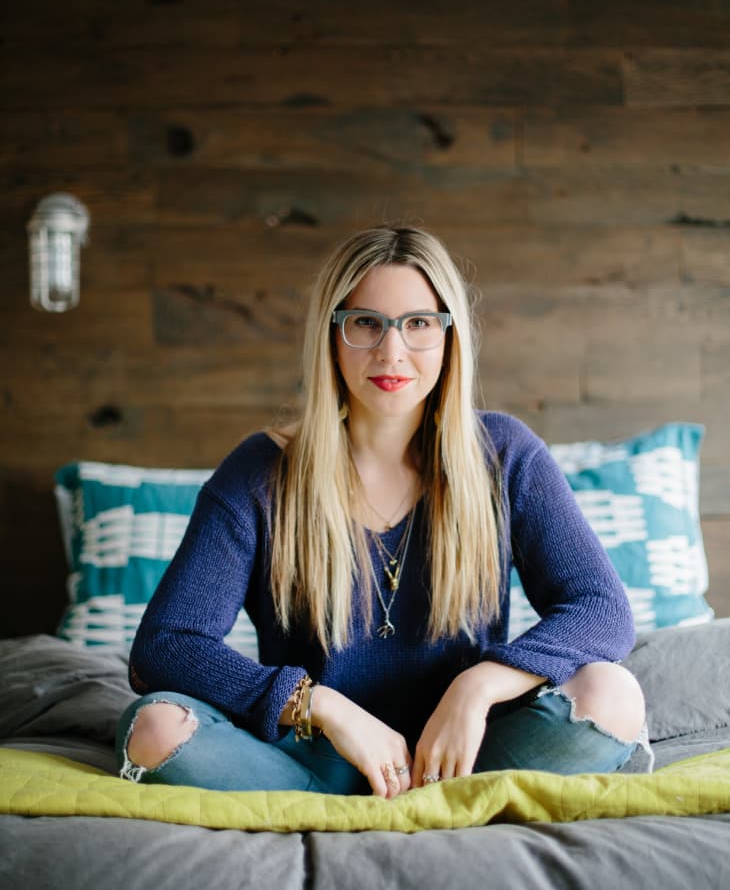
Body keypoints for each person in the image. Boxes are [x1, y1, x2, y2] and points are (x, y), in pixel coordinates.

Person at [116, 225, 647, 799]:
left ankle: (435, 801)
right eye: (366, 322)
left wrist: (478, 686)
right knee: (155, 728)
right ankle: (362, 808)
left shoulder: (505, 455)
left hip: (466, 759)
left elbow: (602, 609)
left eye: (418, 323)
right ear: (332, 335)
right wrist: (321, 706)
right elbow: (166, 644)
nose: (392, 351)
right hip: (313, 764)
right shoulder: (260, 472)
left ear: (449, 337)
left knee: (611, 695)